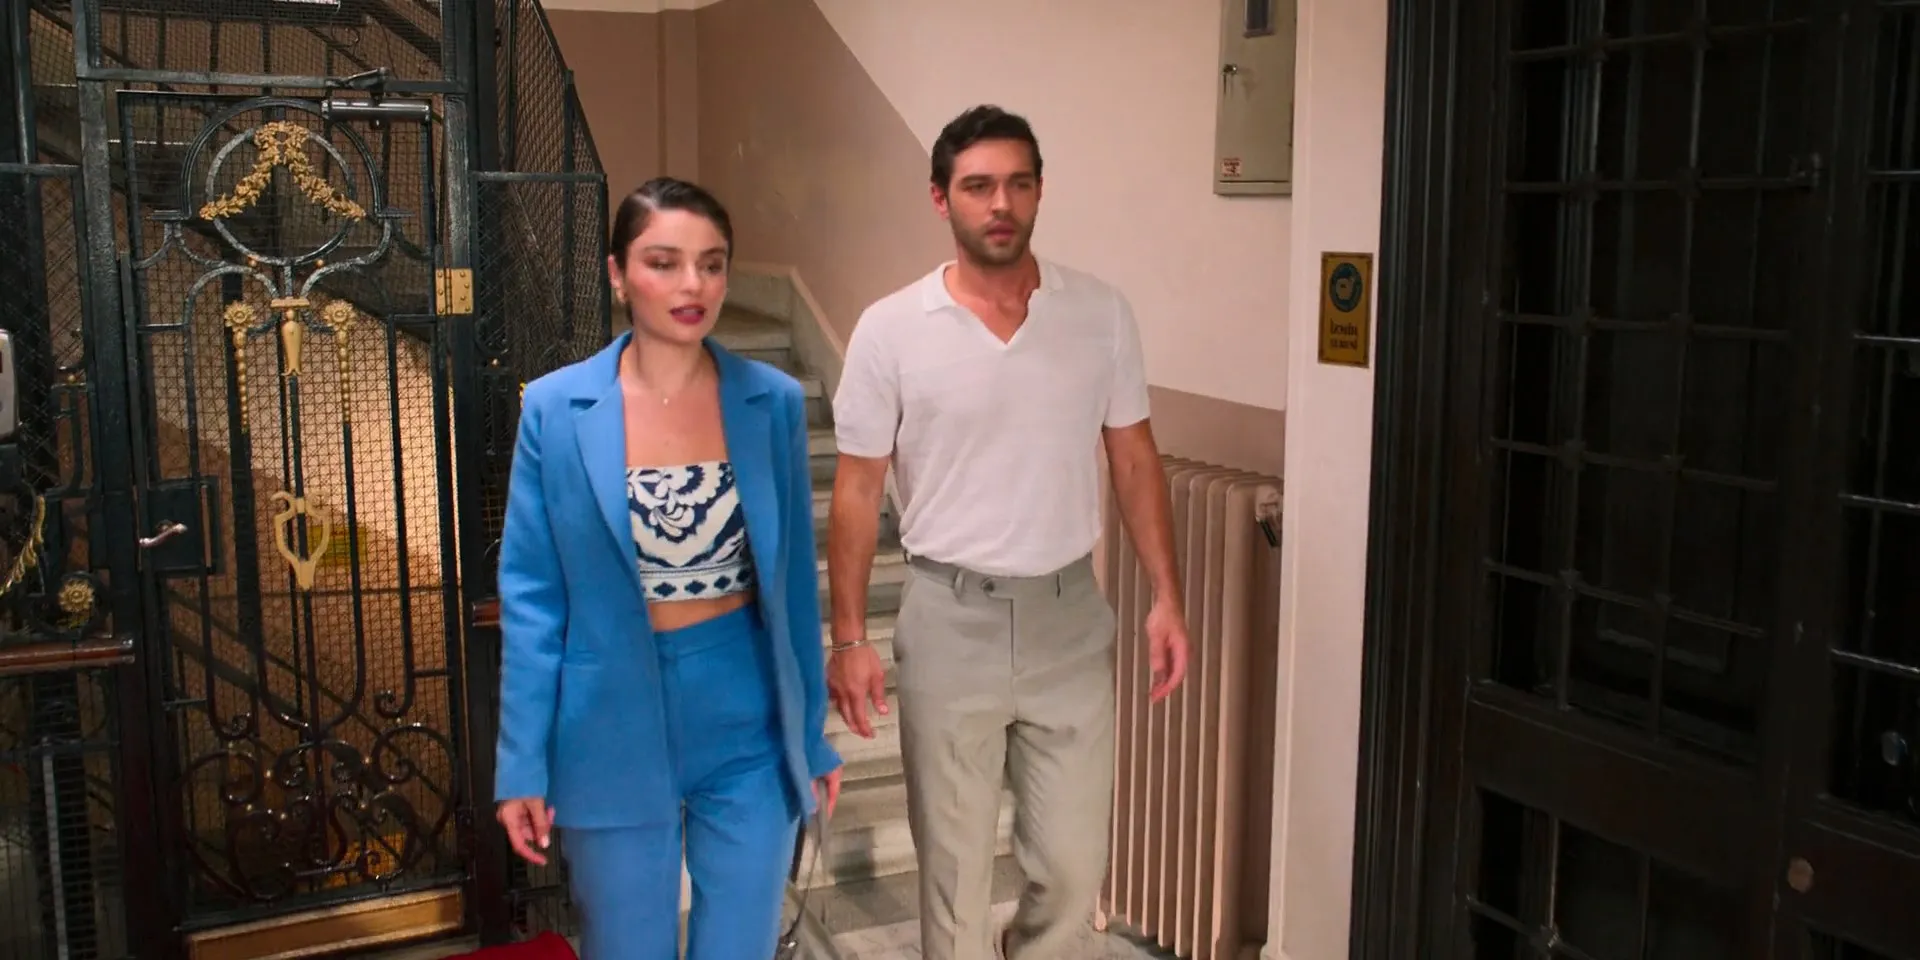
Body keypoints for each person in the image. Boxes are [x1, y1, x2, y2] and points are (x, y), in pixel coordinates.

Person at [826, 106, 1190, 960]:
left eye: (1018, 184)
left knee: (1071, 866)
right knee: (953, 874)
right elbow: (857, 489)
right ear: (940, 198)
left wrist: (1166, 596)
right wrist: (849, 637)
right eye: (978, 186)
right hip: (950, 619)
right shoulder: (891, 328)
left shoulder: (1099, 313)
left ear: (1039, 192)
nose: (1000, 204)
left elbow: (1134, 458)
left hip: (1068, 617)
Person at [492, 177, 843, 960]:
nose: (693, 285)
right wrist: (521, 763)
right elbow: (533, 600)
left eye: (711, 264)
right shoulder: (554, 408)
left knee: (740, 946)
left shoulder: (773, 402)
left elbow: (792, 590)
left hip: (745, 710)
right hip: (608, 715)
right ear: (618, 274)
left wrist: (810, 737)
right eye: (664, 262)